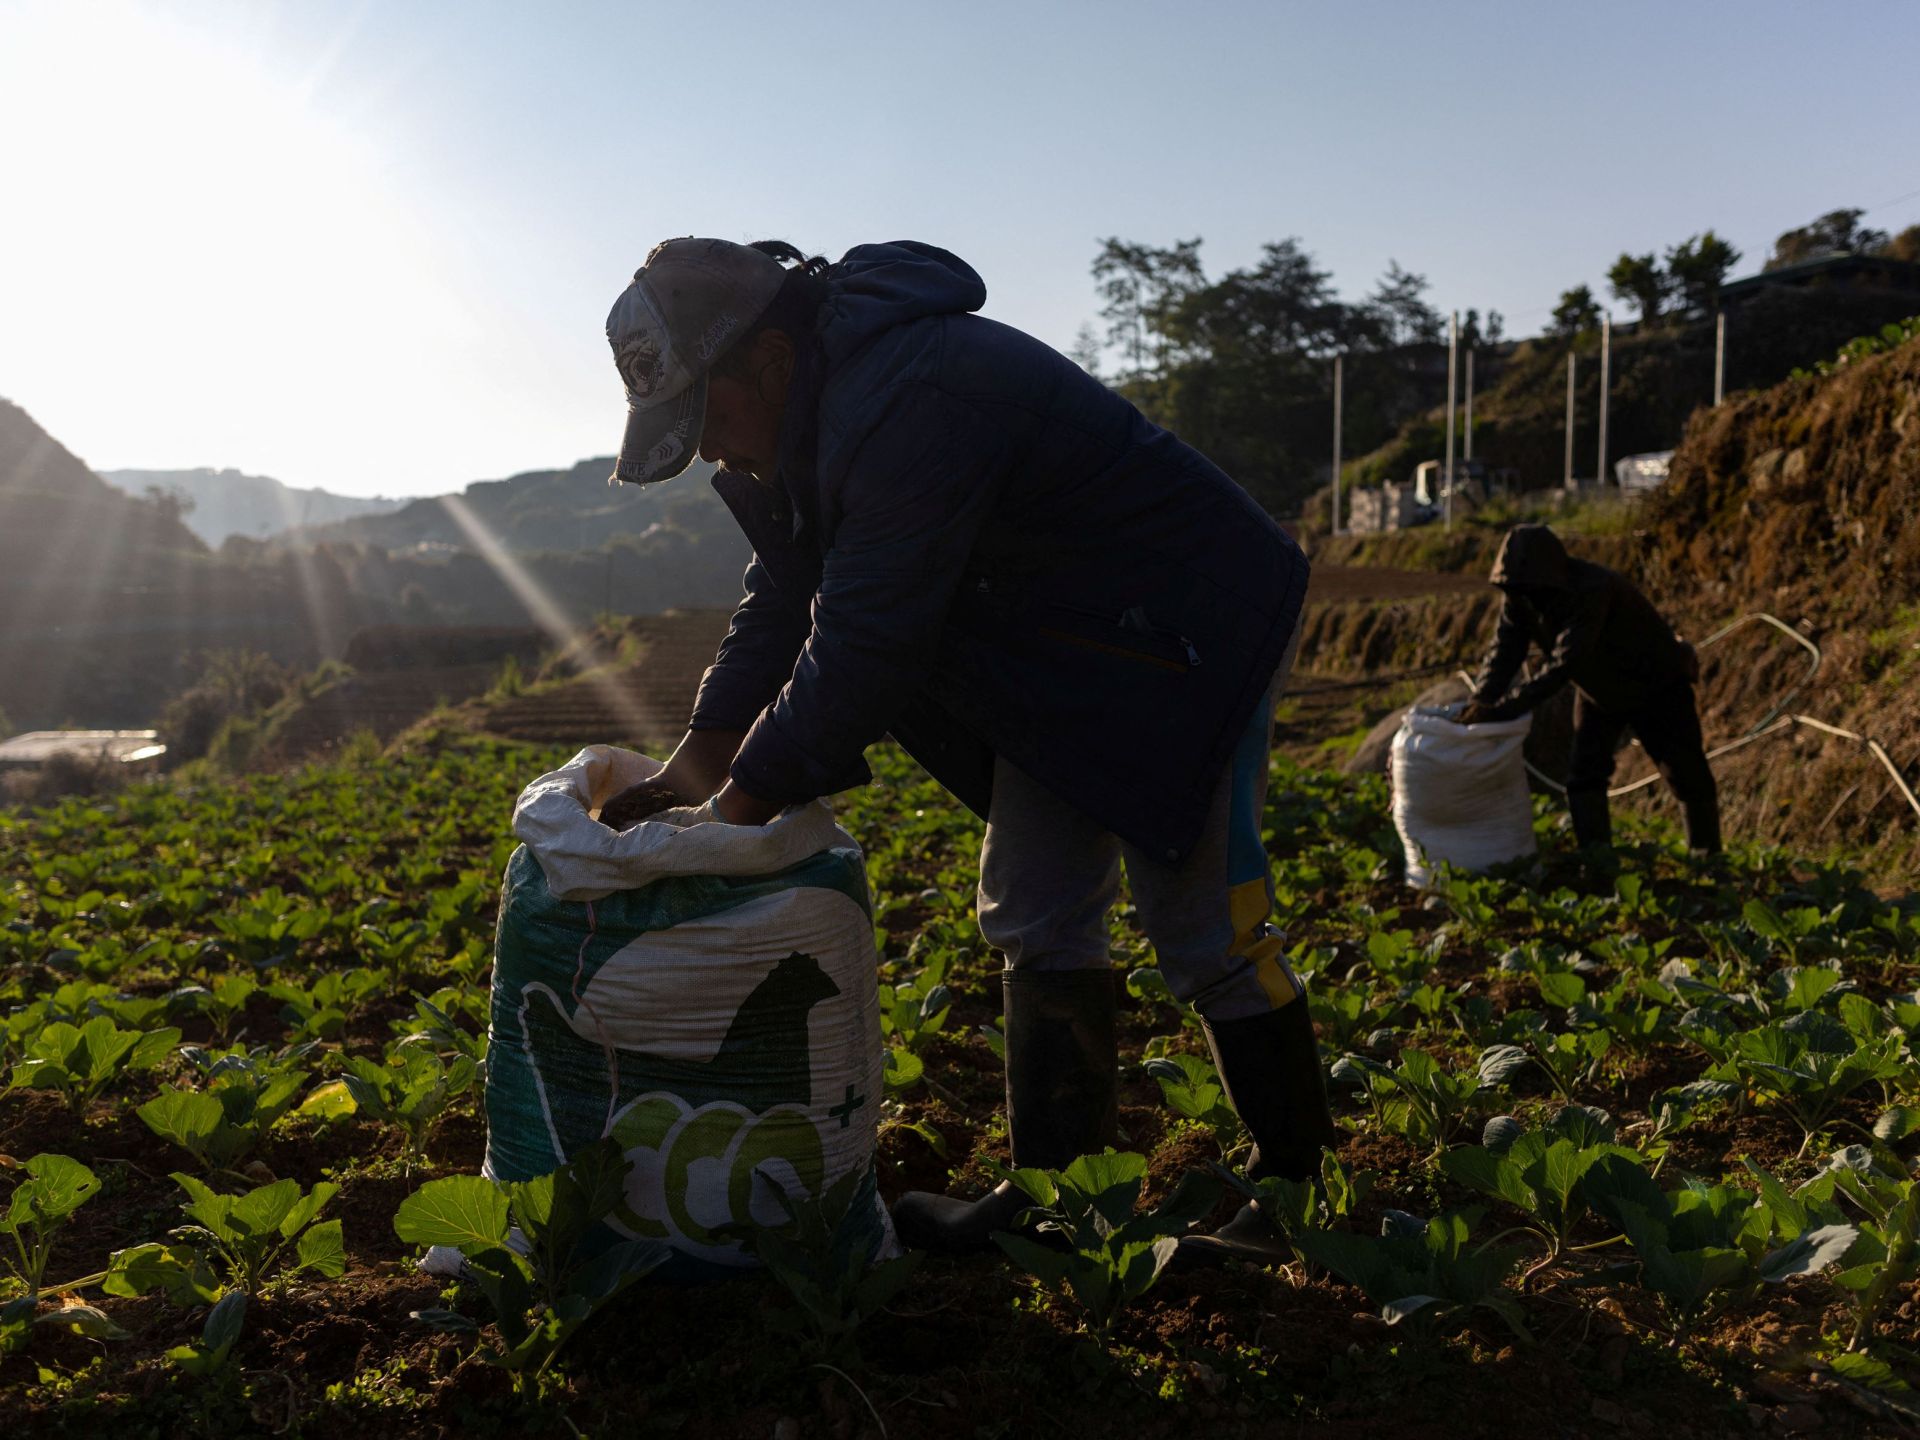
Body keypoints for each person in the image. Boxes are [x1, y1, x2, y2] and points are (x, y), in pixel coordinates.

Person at [600, 236, 1337, 1262]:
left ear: (767, 358)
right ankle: (1059, 1206)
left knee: (1203, 921)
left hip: (1188, 632)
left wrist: (737, 816)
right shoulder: (812, 414)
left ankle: (1299, 1197)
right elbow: (786, 587)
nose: (713, 451)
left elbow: (864, 642)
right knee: (1035, 908)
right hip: (1067, 650)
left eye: (708, 417)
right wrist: (698, 761)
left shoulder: (912, 396)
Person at [1459, 523, 1720, 854]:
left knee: (1684, 771)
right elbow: (1504, 651)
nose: (1522, 596)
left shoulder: (1593, 588)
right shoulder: (1519, 597)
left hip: (1656, 683)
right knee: (1583, 777)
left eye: (1528, 589)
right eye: (1515, 589)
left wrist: (1505, 709)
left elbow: (1565, 663)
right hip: (1600, 690)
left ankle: (1707, 858)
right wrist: (1481, 699)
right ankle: (1597, 862)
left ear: (1549, 578)